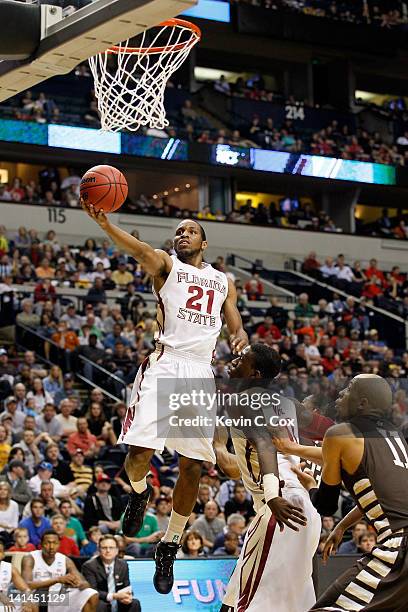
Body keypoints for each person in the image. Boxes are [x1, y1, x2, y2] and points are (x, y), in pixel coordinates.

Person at [83, 204, 247, 594]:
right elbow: (138, 249)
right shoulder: (166, 265)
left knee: (193, 467)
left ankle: (170, 543)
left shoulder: (223, 280)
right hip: (166, 364)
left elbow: (233, 317)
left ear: (204, 242)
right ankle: (140, 493)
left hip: (200, 372)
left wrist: (239, 337)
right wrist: (106, 224)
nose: (182, 234)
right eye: (178, 231)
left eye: (190, 231)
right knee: (139, 454)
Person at [216, 343, 328, 612]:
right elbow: (332, 435)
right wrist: (316, 472)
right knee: (236, 600)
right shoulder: (288, 404)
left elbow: (266, 445)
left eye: (242, 359)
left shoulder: (240, 402)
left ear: (254, 373)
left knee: (246, 604)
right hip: (301, 508)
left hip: (280, 508)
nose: (234, 361)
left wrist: (272, 497)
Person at [295, 374, 408, 611]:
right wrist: (343, 526)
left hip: (400, 547)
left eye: (348, 389)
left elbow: (325, 505)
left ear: (362, 403)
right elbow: (382, 497)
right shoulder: (395, 437)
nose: (340, 394)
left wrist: (309, 485)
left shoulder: (340, 433)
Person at [21, 530, 99, 612]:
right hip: (35, 596)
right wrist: (57, 580)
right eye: (48, 543)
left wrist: (77, 583)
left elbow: (85, 583)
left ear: (59, 544)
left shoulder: (65, 560)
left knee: (91, 593)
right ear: (41, 544)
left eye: (55, 543)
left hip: (57, 597)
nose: (51, 547)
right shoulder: (30, 558)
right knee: (30, 601)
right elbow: (26, 585)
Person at [82, 534, 141, 612]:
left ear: (117, 550)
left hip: (119, 601)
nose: (108, 550)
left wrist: (128, 596)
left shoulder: (123, 565)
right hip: (101, 600)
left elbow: (126, 586)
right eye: (104, 548)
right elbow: (92, 591)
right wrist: (114, 596)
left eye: (111, 548)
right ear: (99, 550)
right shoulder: (89, 566)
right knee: (100, 605)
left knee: (135, 603)